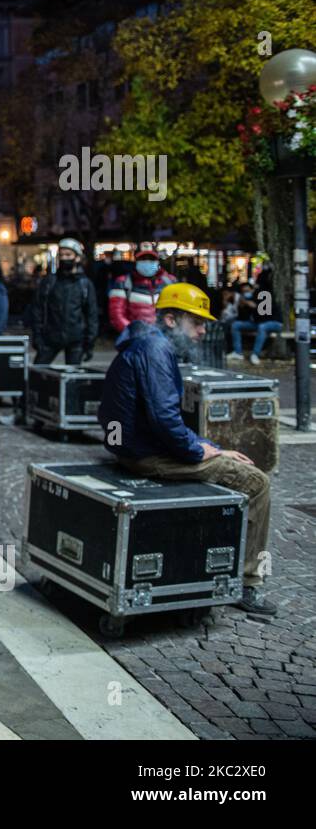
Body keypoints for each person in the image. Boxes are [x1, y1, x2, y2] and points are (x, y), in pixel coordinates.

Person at [97, 283, 276, 616]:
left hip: (133, 447)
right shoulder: (155, 350)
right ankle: (250, 582)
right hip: (146, 457)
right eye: (196, 322)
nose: (202, 330)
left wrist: (209, 447)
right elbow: (165, 420)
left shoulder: (143, 343)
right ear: (170, 320)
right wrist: (204, 453)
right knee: (257, 484)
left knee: (221, 452)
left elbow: (159, 420)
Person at [31, 237, 98, 365]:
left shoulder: (85, 284)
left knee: (72, 380)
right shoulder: (49, 281)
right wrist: (37, 336)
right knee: (37, 372)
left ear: (77, 257)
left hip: (76, 339)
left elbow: (92, 315)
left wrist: (90, 342)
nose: (64, 258)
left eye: (68, 255)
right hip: (50, 337)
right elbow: (37, 310)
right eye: (61, 255)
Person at [108, 242, 176, 333]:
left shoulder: (170, 282)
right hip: (136, 341)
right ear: (136, 261)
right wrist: (133, 333)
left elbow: (177, 311)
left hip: (165, 338)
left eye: (151, 259)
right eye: (143, 259)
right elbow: (117, 315)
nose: (147, 262)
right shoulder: (123, 283)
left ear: (157, 261)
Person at [228, 278, 284, 365]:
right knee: (236, 325)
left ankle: (255, 354)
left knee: (262, 327)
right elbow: (243, 318)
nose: (246, 293)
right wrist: (242, 306)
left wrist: (254, 307)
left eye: (248, 290)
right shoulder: (245, 300)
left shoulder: (263, 295)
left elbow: (265, 314)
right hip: (257, 323)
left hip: (273, 322)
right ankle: (237, 352)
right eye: (244, 291)